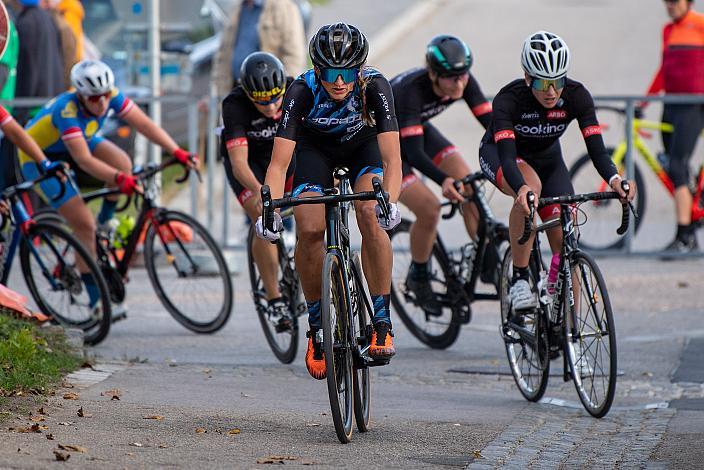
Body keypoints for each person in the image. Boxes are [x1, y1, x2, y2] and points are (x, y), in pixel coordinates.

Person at [256, 23, 402, 379]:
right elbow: (278, 164)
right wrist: (270, 210)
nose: (340, 81)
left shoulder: (375, 87)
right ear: (318, 70)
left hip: (361, 145)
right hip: (314, 150)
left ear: (359, 69)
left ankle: (381, 320)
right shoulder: (300, 91)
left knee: (368, 211)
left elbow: (393, 160)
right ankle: (318, 329)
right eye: (332, 73)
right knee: (308, 229)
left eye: (349, 72)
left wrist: (391, 202)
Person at [18, 60, 198, 315]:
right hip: (39, 158)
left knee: (122, 162)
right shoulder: (67, 111)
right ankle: (97, 305)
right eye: (94, 99)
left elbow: (144, 124)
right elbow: (84, 161)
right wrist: (121, 180)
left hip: (77, 143)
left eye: (105, 96)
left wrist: (177, 151)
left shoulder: (109, 94)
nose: (102, 103)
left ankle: (105, 222)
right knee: (83, 224)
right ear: (81, 95)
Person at [478, 31, 635, 312]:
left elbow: (597, 150)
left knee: (566, 242)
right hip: (503, 156)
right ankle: (520, 278)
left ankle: (571, 335)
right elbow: (507, 156)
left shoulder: (577, 95)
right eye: (542, 82)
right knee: (530, 189)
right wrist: (522, 189)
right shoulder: (509, 100)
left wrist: (614, 179)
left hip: (549, 161)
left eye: (558, 81)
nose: (551, 91)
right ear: (528, 78)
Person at [391, 35, 492, 314]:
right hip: (383, 145)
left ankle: (482, 255)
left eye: (463, 75)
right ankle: (419, 276)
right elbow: (412, 153)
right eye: (451, 78)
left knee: (468, 183)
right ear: (433, 74)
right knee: (430, 208)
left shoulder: (464, 80)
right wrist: (443, 181)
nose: (459, 83)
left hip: (416, 131)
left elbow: (493, 125)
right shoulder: (412, 92)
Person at [220, 51, 295, 328]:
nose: (272, 105)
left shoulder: (294, 89)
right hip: (247, 163)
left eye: (276, 97)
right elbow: (239, 165)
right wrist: (262, 194)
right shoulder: (234, 104)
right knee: (262, 216)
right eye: (262, 101)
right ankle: (274, 299)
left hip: (282, 157)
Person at [645, 0, 704, 253]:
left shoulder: (700, 24)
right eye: (666, 1)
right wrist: (645, 100)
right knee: (673, 165)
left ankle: (683, 237)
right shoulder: (667, 30)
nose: (670, 5)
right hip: (671, 106)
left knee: (678, 165)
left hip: (693, 105)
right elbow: (664, 70)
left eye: (675, 1)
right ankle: (690, 223)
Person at [211, 0, 306, 99]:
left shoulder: (284, 7)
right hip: (236, 90)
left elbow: (294, 57)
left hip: (267, 94)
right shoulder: (236, 8)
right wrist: (217, 93)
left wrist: (283, 95)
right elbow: (222, 55)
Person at [13, 0, 64, 124]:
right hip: (49, 99)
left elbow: (28, 67)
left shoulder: (26, 22)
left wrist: (21, 110)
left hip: (33, 105)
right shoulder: (48, 18)